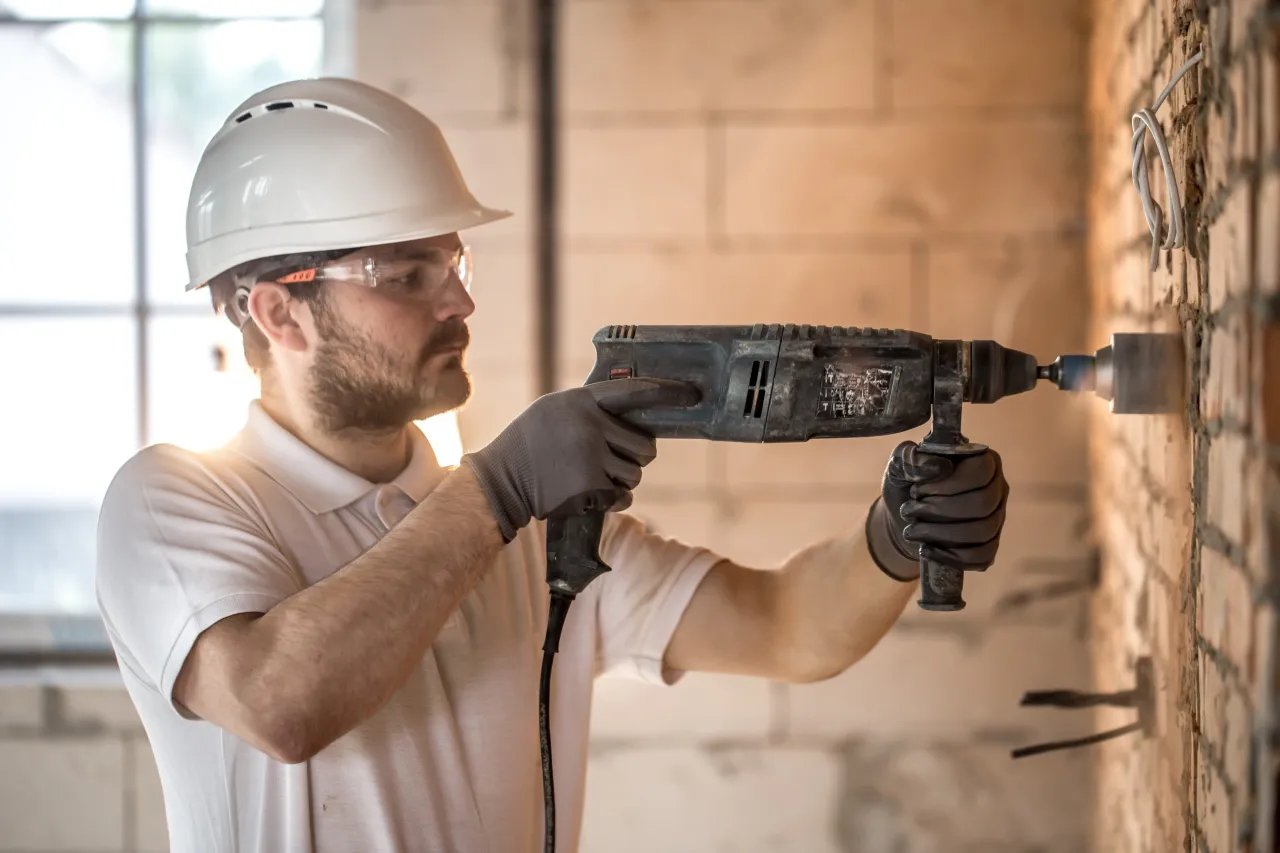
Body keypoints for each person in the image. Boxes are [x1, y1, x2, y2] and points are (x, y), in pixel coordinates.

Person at [95, 78, 1009, 853]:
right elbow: (277, 701)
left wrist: (893, 537)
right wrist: (496, 488)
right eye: (405, 274)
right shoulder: (175, 503)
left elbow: (786, 626)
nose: (460, 299)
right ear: (277, 314)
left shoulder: (539, 528)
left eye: (453, 259)